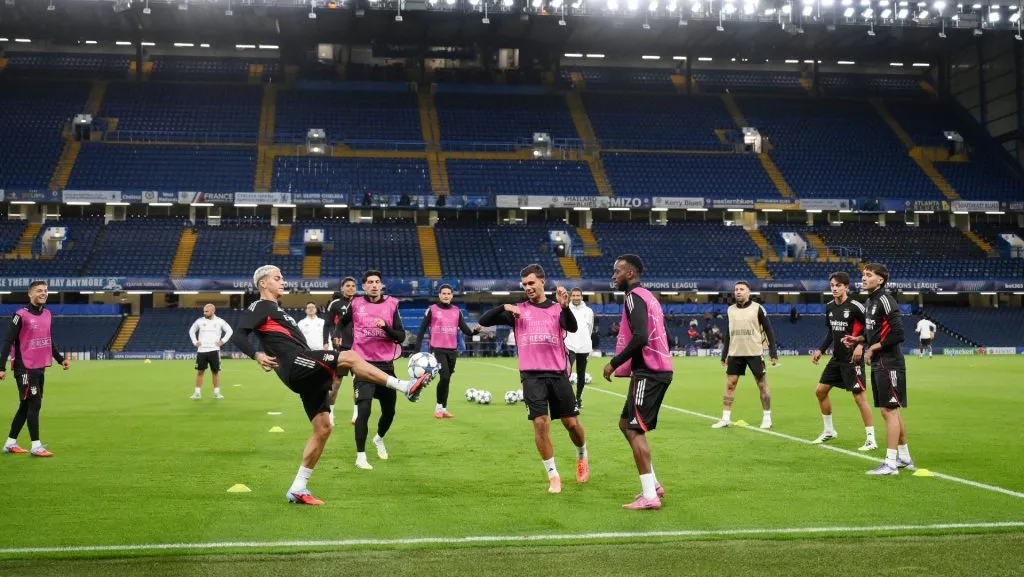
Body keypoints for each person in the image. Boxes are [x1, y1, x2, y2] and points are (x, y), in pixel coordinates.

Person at [230, 266, 431, 505]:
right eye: (277, 278)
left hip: (304, 371)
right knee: (351, 356)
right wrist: (257, 355)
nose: (283, 281)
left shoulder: (275, 309)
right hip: (296, 363)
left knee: (323, 428)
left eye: (282, 277)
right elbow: (238, 335)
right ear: (263, 283)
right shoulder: (260, 306)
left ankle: (298, 487)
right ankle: (405, 386)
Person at [479, 264, 588, 494]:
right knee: (540, 423)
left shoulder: (557, 309)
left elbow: (573, 326)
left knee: (571, 423)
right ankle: (553, 475)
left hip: (558, 373)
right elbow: (484, 320)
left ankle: (581, 456)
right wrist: (504, 307)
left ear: (542, 282)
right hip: (531, 375)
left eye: (531, 283)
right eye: (525, 284)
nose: (528, 287)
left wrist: (565, 307)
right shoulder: (518, 311)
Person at [602, 255, 673, 510]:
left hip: (649, 372)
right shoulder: (649, 297)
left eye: (617, 271)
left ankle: (650, 497)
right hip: (654, 369)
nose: (613, 275)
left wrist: (614, 361)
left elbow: (641, 336)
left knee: (635, 430)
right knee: (625, 424)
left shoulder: (633, 297)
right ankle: (653, 484)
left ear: (630, 274)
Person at [842, 263, 914, 476]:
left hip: (890, 362)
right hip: (880, 363)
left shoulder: (885, 299)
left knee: (889, 411)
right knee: (890, 410)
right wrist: (860, 339)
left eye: (869, 275)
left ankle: (890, 464)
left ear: (880, 280)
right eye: (863, 275)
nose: (864, 278)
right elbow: (874, 331)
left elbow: (898, 333)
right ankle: (904, 457)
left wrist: (872, 347)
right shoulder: (871, 300)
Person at [337, 270, 414, 470]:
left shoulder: (392, 304)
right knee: (364, 410)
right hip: (362, 365)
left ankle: (379, 438)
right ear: (363, 286)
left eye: (377, 282)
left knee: (389, 411)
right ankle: (360, 456)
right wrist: (338, 339)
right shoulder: (355, 304)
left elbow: (400, 336)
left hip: (385, 366)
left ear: (381, 286)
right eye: (369, 282)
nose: (373, 285)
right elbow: (341, 323)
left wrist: (385, 328)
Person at [1, 280, 70, 457]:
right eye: (39, 290)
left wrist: (60, 359)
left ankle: (10, 443)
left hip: (39, 367)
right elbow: (8, 341)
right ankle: (36, 446)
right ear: (30, 294)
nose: (43, 293)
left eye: (45, 291)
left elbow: (48, 340)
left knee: (26, 406)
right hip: (24, 368)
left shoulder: (47, 314)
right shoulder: (20, 315)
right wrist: (1, 366)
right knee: (34, 403)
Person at [810, 272, 877, 451]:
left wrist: (860, 345)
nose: (834, 288)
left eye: (838, 285)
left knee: (859, 397)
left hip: (852, 360)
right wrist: (821, 350)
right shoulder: (830, 306)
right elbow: (831, 333)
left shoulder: (856, 307)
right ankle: (829, 430)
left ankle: (871, 439)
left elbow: (871, 330)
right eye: (832, 285)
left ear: (846, 287)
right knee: (820, 391)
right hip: (837, 359)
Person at [713, 281, 778, 430]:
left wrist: (773, 352)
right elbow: (728, 334)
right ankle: (725, 418)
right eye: (736, 289)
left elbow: (769, 331)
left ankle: (767, 418)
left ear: (749, 292)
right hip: (735, 353)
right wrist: (725, 354)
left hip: (754, 352)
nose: (738, 292)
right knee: (730, 385)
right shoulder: (730, 310)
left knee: (762, 384)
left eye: (742, 289)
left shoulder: (758, 309)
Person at [415, 284, 481, 419]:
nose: (446, 296)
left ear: (452, 296)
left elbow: (466, 330)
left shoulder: (457, 311)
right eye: (443, 293)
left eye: (448, 293)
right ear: (439, 295)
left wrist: (475, 331)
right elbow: (421, 330)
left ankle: (443, 409)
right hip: (437, 349)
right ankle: (438, 408)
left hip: (452, 350)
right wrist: (417, 350)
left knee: (447, 380)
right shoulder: (432, 310)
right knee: (444, 377)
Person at [323, 277, 357, 426]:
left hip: (359, 348)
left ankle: (356, 415)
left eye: (353, 286)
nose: (350, 288)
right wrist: (326, 341)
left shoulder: (361, 303)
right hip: (341, 349)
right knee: (336, 383)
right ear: (342, 288)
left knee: (359, 382)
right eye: (347, 286)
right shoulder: (335, 304)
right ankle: (330, 413)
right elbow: (327, 325)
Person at [187, 304, 233, 400]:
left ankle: (217, 393)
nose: (204, 313)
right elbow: (191, 331)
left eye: (206, 311)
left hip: (214, 350)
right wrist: (195, 341)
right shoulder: (199, 321)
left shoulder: (220, 321)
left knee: (215, 372)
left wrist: (222, 341)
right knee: (200, 372)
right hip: (202, 350)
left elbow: (230, 331)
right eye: (204, 311)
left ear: (213, 311)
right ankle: (197, 393)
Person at [564, 287, 595, 411]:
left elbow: (590, 329)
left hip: (584, 346)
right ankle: (568, 399)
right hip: (569, 345)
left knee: (581, 374)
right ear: (571, 297)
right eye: (574, 295)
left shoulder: (588, 311)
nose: (576, 297)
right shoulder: (566, 309)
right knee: (566, 373)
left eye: (578, 295)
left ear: (582, 297)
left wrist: (585, 340)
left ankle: (578, 399)